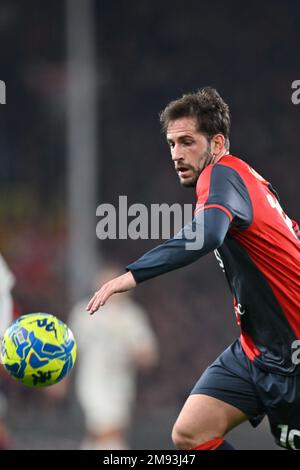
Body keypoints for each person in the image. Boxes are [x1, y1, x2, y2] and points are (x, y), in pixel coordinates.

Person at [86, 88, 300, 450]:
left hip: (292, 353)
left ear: (217, 144)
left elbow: (207, 235)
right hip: (255, 351)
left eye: (187, 142)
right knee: (189, 434)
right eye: (171, 144)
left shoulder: (220, 176)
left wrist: (132, 275)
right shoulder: (252, 181)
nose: (176, 154)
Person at [69, 263, 158, 450]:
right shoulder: (84, 312)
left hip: (121, 383)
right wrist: (60, 380)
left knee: (106, 431)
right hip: (92, 379)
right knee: (109, 429)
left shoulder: (132, 316)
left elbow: (148, 354)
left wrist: (139, 355)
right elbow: (70, 350)